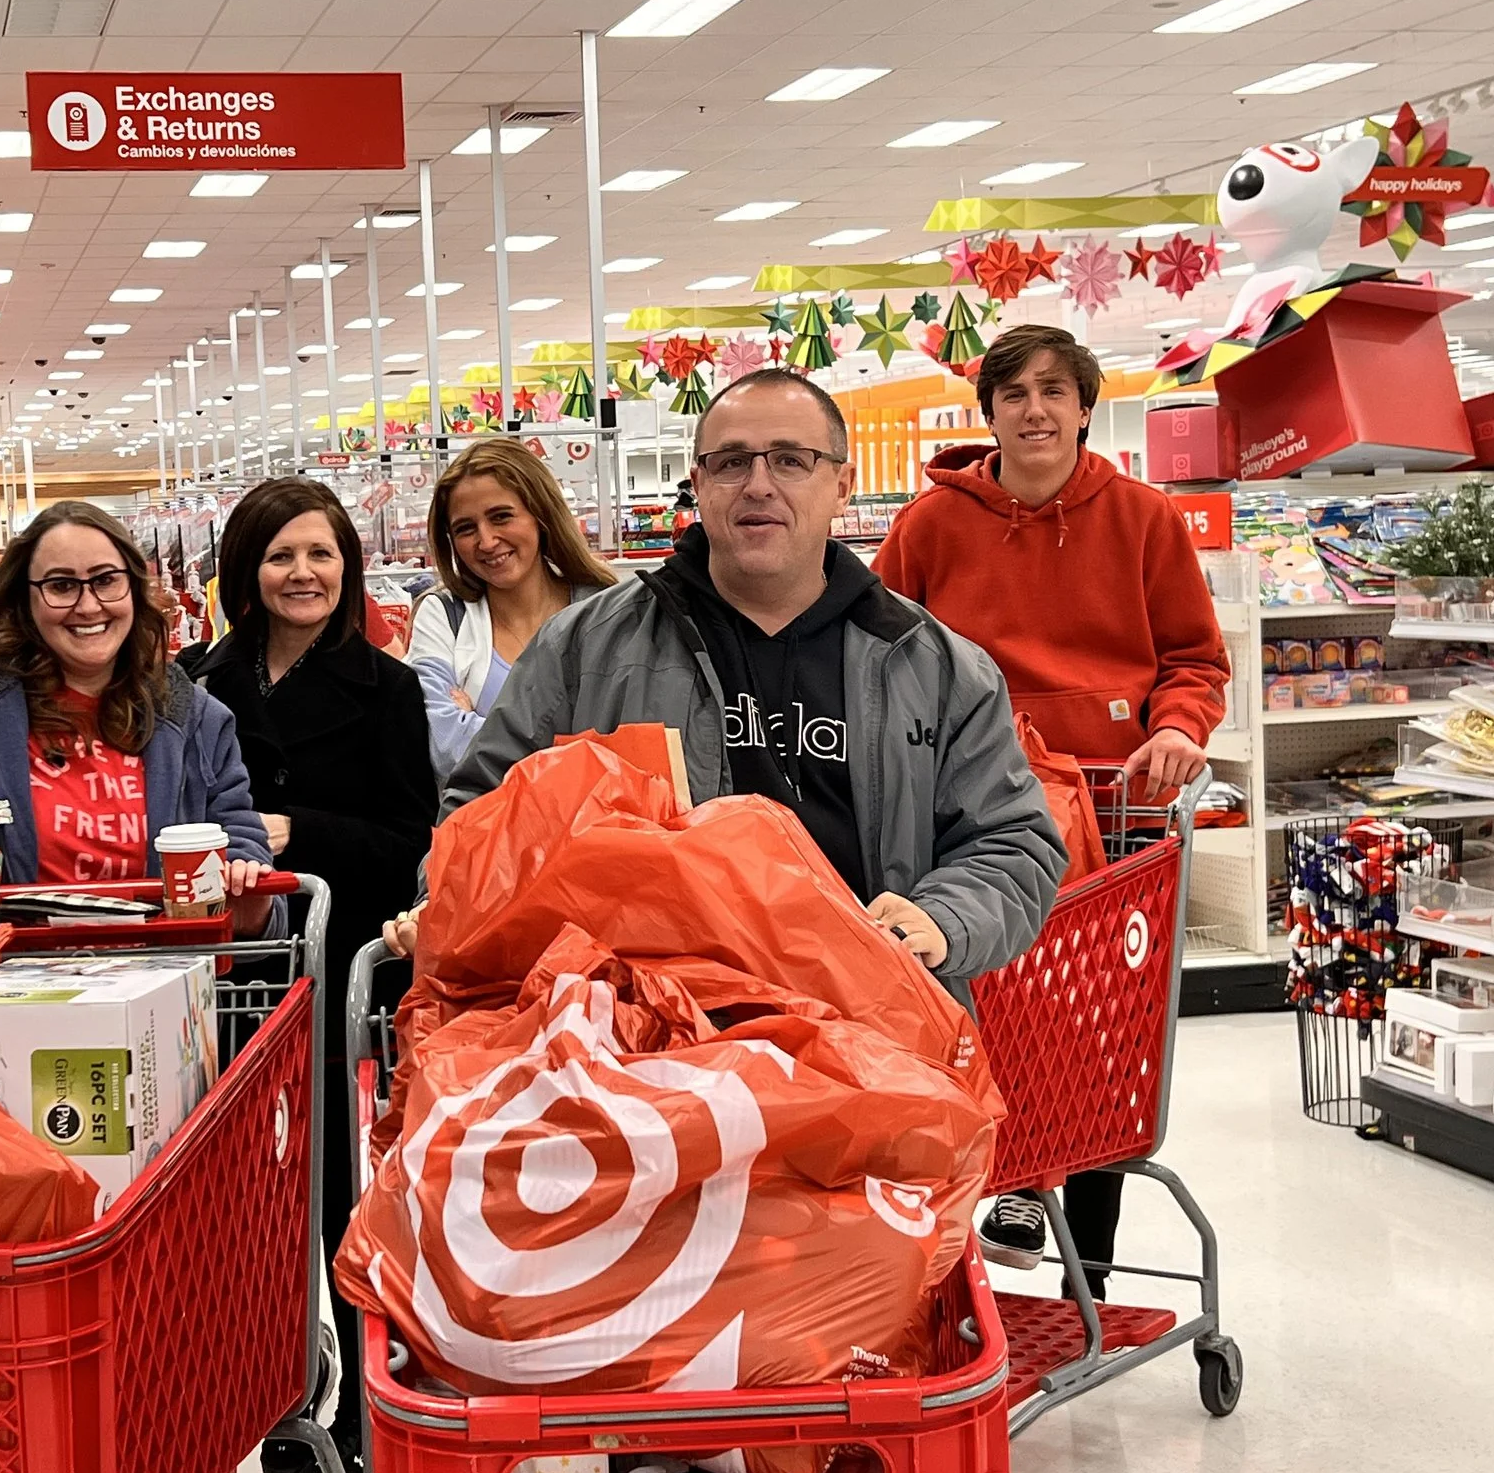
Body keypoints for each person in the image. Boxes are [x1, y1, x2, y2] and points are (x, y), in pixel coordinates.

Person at [399, 367, 1066, 999]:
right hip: (648, 1043)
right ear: (700, 482)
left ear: (842, 485)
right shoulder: (584, 649)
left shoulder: (936, 668)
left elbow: (1013, 842)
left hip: (873, 1034)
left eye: (790, 459)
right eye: (731, 462)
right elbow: (482, 810)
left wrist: (943, 919)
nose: (758, 484)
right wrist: (447, 896)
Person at [872, 322, 1231, 1295]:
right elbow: (868, 656)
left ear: (1083, 406)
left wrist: (1180, 726)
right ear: (988, 412)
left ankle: (1090, 1264)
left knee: (1100, 1027)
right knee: (988, 1010)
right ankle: (1005, 1195)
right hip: (972, 812)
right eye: (1013, 393)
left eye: (1052, 392)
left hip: (1118, 805)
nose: (1034, 410)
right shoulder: (929, 527)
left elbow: (1195, 660)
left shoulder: (1147, 520)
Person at [178, 475, 435, 1473]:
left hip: (339, 975)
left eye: (321, 555)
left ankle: (346, 1412)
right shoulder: (193, 684)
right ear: (245, 570)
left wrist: (295, 837)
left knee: (336, 1189)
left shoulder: (386, 688)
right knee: (233, 1197)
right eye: (281, 556)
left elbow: (411, 838)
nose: (303, 575)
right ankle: (254, 1389)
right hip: (223, 977)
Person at [0, 500, 275, 929]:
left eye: (106, 580)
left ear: (135, 590)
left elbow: (238, 838)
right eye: (61, 585)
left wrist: (247, 886)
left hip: (157, 976)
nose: (88, 606)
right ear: (24, 599)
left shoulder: (192, 716)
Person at [406, 436, 617, 778]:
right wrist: (569, 746)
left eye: (501, 517)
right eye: (465, 528)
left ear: (540, 514)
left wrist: (477, 726)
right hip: (483, 829)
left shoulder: (603, 610)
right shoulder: (443, 615)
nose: (486, 541)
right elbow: (443, 748)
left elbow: (627, 738)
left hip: (595, 827)